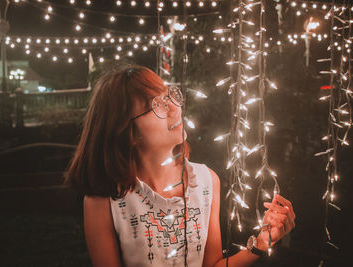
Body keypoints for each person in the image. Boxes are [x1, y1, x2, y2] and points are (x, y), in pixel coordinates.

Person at [66, 65, 296, 267]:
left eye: (171, 96)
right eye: (158, 105)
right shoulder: (105, 200)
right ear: (129, 134)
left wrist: (261, 242)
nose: (175, 108)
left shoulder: (206, 182)